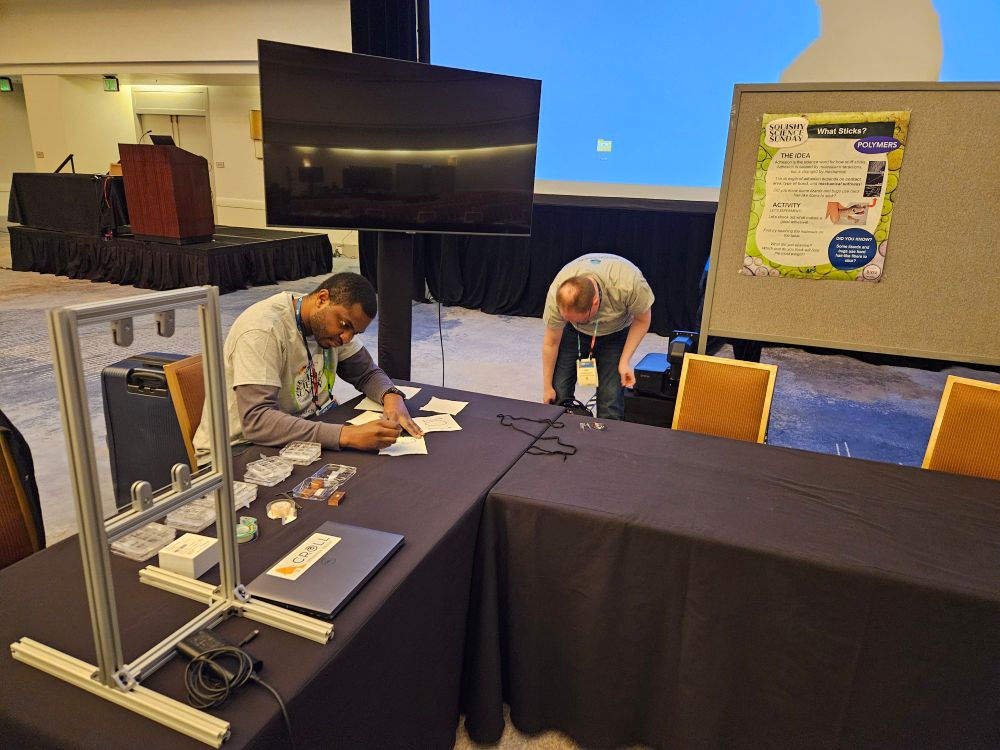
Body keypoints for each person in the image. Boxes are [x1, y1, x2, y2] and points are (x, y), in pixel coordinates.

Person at [193, 272, 422, 459]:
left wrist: (391, 396)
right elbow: (257, 421)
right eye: (345, 325)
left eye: (355, 332)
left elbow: (366, 372)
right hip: (239, 450)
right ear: (322, 299)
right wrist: (346, 435)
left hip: (302, 430)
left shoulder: (328, 323)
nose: (346, 338)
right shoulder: (262, 331)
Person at [541, 253, 654, 420]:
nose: (574, 321)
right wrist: (546, 387)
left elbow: (643, 320)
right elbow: (550, 343)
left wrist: (624, 361)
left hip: (615, 333)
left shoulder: (629, 283)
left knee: (610, 400)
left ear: (595, 303)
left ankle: (605, 443)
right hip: (573, 336)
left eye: (580, 320)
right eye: (567, 318)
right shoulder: (557, 292)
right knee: (558, 393)